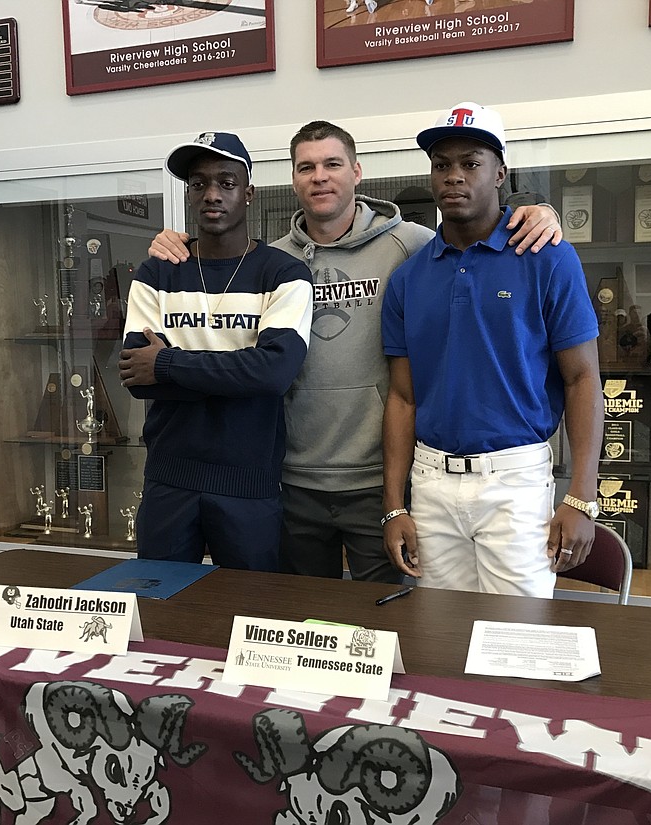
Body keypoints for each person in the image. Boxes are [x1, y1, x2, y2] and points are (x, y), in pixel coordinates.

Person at [149, 121, 562, 583]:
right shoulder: (272, 262)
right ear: (292, 180)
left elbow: (472, 244)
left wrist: (537, 211)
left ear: (357, 172)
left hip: (378, 481)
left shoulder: (411, 245)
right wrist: (180, 244)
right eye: (306, 167)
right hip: (291, 477)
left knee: (387, 626)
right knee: (303, 623)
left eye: (332, 164)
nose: (319, 177)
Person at [381, 101, 603, 597]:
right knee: (439, 640)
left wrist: (583, 497)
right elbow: (402, 398)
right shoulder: (410, 277)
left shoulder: (547, 257)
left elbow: (583, 379)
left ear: (500, 173)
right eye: (442, 166)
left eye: (471, 163)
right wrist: (394, 505)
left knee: (517, 646)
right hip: (431, 480)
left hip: (515, 479)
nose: (454, 177)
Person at [119, 131, 313, 571]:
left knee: (250, 616)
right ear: (189, 195)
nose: (212, 194)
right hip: (169, 481)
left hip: (249, 485)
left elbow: (273, 374)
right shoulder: (158, 273)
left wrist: (166, 364)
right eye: (199, 183)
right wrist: (236, 373)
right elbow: (135, 376)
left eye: (226, 183)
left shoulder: (283, 273)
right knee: (161, 616)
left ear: (249, 194)